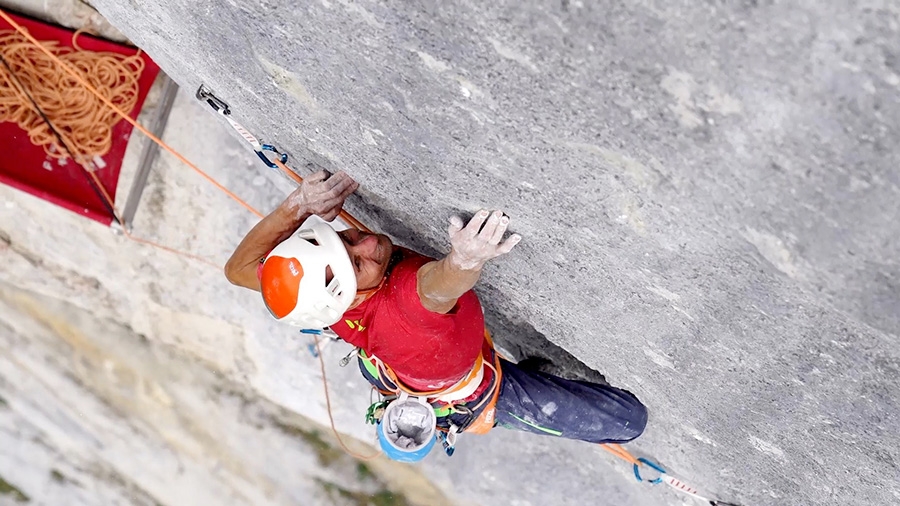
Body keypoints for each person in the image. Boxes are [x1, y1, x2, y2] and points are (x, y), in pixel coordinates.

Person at [225, 170, 647, 460]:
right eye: (358, 263)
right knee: (628, 420)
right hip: (467, 390)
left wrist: (297, 206)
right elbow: (436, 286)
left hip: (399, 364)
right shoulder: (406, 307)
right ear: (348, 296)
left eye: (346, 240)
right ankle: (516, 379)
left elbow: (238, 271)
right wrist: (465, 260)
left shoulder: (314, 295)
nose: (368, 244)